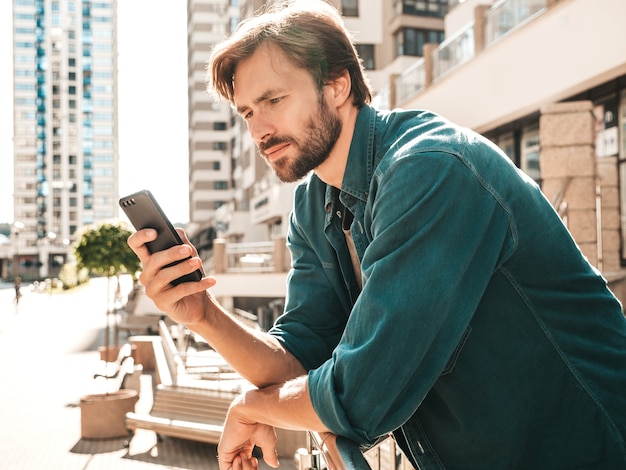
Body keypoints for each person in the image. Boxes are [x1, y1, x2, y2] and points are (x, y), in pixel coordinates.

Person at [128, 1, 626, 469]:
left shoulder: (429, 170)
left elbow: (362, 393)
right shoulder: (314, 200)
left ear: (338, 85)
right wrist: (202, 314)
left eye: (274, 100)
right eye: (248, 113)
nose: (260, 129)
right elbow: (297, 360)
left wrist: (253, 407)